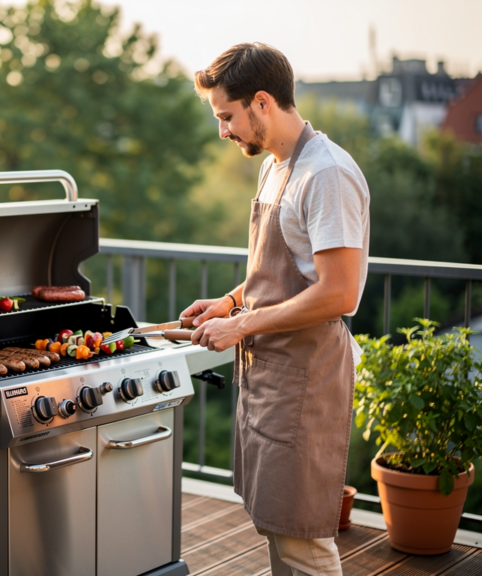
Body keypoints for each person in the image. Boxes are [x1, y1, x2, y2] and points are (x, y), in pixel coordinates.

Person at [181, 43, 370, 576]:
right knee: (275, 523)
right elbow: (282, 272)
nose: (223, 131)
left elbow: (339, 293)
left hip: (305, 380)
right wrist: (233, 300)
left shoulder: (327, 174)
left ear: (261, 102)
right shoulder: (275, 167)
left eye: (226, 116)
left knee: (302, 540)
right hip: (269, 374)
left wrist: (240, 324)